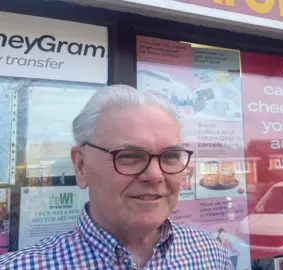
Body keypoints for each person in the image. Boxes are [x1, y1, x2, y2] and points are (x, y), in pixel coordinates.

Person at [0, 85, 233, 269]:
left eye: (170, 155)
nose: (154, 175)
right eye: (129, 156)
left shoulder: (209, 253)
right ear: (81, 166)